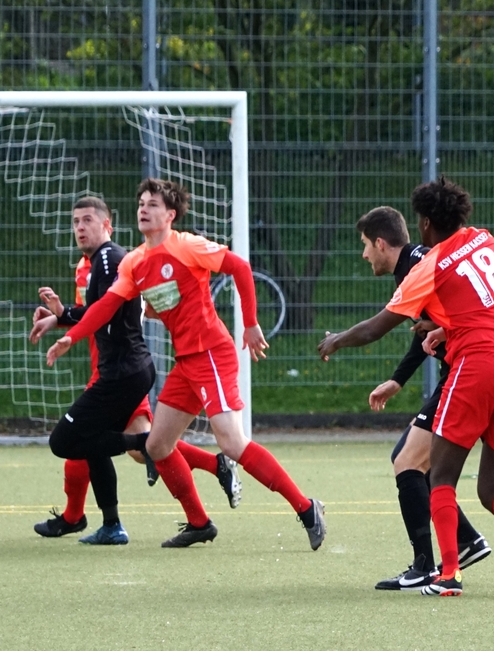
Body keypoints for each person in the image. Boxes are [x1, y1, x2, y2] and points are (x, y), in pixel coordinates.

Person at [318, 177, 494, 597]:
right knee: (492, 488)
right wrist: (446, 329)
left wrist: (336, 340)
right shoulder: (485, 240)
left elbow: (375, 328)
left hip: (480, 365)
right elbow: (485, 303)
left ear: (424, 223)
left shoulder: (429, 266)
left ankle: (448, 574)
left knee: (440, 475)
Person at [45, 178, 326, 549]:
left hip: (211, 353)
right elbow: (106, 306)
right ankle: (199, 523)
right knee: (157, 445)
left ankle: (306, 508)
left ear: (170, 215)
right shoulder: (134, 262)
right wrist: (71, 335)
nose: (144, 209)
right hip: (185, 362)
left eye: (153, 205)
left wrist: (251, 323)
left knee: (232, 442)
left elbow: (240, 268)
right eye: (141, 203)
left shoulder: (187, 245)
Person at [30, 197, 242, 544]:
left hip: (121, 371)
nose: (80, 227)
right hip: (111, 368)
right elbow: (95, 311)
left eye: (87, 220)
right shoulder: (87, 265)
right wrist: (62, 316)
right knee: (118, 445)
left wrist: (65, 320)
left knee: (129, 443)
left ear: (107, 224)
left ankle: (85, 518)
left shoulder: (112, 259)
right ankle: (96, 520)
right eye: (76, 222)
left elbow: (110, 310)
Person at [354, 206, 490, 592]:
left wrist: (336, 341)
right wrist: (397, 380)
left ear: (381, 243)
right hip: (467, 371)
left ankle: (425, 566)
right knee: (424, 465)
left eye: (365, 245)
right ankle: (466, 540)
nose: (364, 254)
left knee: (407, 461)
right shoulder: (416, 263)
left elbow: (377, 328)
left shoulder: (418, 265)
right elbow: (428, 328)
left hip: (466, 373)